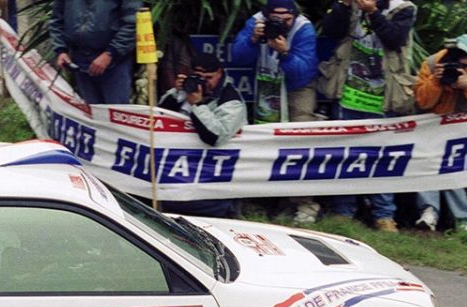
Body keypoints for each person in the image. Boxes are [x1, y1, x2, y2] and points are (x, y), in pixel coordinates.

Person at [317, 0, 417, 232]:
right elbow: (331, 32)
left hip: (384, 98)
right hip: (348, 93)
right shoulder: (350, 4)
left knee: (381, 156)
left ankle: (384, 214)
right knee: (345, 155)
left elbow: (395, 39)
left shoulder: (403, 8)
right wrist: (343, 5)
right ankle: (344, 211)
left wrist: (372, 12)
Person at [232, 0, 320, 224]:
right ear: (266, 15)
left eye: (286, 20)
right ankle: (264, 201)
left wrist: (286, 53)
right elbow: (237, 57)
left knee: (300, 143)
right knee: (264, 143)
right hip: (267, 86)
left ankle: (305, 204)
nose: (281, 24)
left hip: (297, 89)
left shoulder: (303, 28)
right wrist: (252, 39)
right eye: (276, 19)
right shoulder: (255, 22)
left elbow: (304, 72)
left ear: (294, 16)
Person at [157, 52, 248, 217]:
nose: (204, 82)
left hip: (214, 171)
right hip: (180, 167)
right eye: (199, 76)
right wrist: (176, 93)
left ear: (220, 73)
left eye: (209, 77)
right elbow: (159, 119)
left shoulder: (231, 100)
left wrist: (197, 105)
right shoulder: (187, 89)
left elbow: (215, 137)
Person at [412, 34, 467, 233]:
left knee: (453, 169)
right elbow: (423, 101)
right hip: (430, 128)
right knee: (427, 165)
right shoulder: (431, 64)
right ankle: (429, 211)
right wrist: (436, 82)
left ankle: (463, 218)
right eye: (458, 64)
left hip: (461, 132)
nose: (461, 70)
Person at [49, 0, 141, 104]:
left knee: (116, 112)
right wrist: (61, 50)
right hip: (80, 62)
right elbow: (56, 20)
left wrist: (110, 54)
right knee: (91, 112)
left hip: (114, 64)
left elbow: (133, 23)